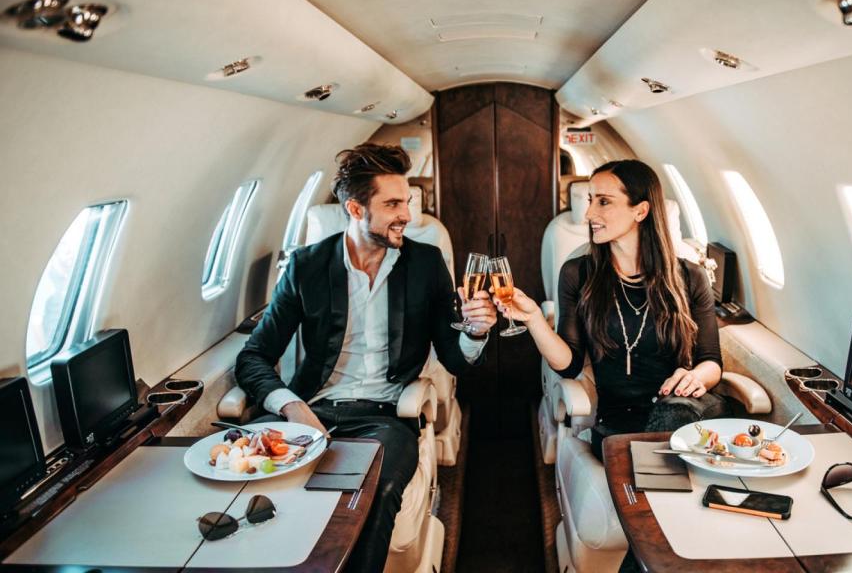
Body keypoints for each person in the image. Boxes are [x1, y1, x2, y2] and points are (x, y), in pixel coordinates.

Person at [235, 143, 497, 572]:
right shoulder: (306, 267)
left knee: (375, 489)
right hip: (308, 410)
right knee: (249, 484)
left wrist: (475, 331)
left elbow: (454, 359)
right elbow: (253, 357)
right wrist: (291, 406)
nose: (407, 215)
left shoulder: (426, 264)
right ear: (356, 210)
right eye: (392, 204)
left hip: (383, 417)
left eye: (407, 201)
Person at [494, 159, 725, 461]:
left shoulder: (690, 276)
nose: (589, 213)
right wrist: (535, 320)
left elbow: (711, 362)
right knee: (637, 453)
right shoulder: (578, 274)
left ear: (640, 211)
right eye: (590, 201)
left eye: (603, 202)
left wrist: (697, 378)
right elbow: (569, 365)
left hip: (684, 408)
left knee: (670, 424)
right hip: (618, 420)